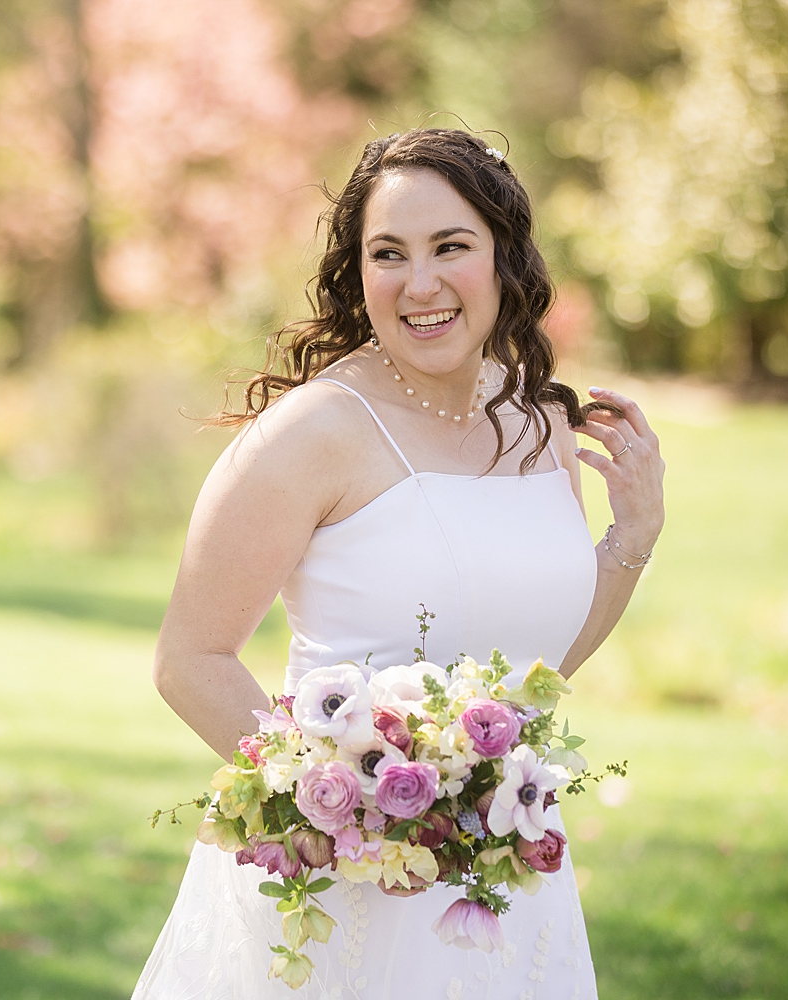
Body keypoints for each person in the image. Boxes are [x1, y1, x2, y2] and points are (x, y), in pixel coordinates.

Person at [134, 128, 666, 999]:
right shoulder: (312, 434)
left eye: (450, 247)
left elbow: (537, 672)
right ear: (360, 274)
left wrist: (629, 539)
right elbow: (188, 660)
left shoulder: (537, 425)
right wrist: (347, 805)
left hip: (504, 887)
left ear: (505, 257)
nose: (421, 284)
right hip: (347, 899)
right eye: (390, 254)